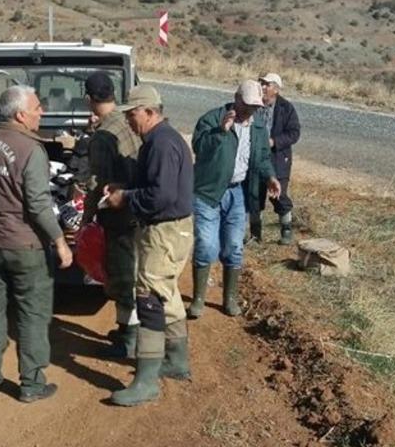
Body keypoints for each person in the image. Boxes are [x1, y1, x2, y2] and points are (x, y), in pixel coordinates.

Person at [0, 85, 74, 403]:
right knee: (32, 315)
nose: (42, 112)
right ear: (20, 114)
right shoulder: (31, 150)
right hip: (26, 247)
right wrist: (60, 242)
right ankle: (31, 385)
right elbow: (39, 204)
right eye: (38, 107)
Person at [102, 85, 194, 407]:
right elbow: (158, 186)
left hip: (163, 232)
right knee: (166, 293)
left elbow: (161, 196)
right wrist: (126, 187)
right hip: (173, 230)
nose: (129, 121)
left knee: (149, 298)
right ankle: (177, 362)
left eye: (133, 114)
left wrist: (125, 198)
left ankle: (146, 380)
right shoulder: (162, 139)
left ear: (150, 112)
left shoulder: (160, 143)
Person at [188, 80, 281, 319]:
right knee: (207, 245)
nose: (252, 110)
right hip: (208, 191)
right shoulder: (213, 119)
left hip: (238, 191)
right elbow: (199, 147)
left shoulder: (258, 127)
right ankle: (198, 299)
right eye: (248, 105)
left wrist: (270, 177)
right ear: (237, 98)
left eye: (256, 106)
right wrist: (221, 131)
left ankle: (229, 298)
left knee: (234, 246)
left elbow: (261, 157)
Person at [80, 71, 142, 359]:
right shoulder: (128, 120)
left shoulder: (103, 136)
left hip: (119, 216)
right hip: (140, 209)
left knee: (121, 278)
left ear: (89, 99)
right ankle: (129, 330)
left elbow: (97, 182)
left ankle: (127, 341)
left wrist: (86, 218)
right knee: (134, 273)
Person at [250, 73, 301, 245]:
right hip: (256, 157)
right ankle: (255, 234)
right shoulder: (253, 104)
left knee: (278, 195)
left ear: (276, 89)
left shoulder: (286, 108)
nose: (263, 87)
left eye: (267, 84)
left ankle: (286, 229)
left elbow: (294, 133)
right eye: (261, 83)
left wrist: (274, 142)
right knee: (254, 195)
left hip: (278, 159)